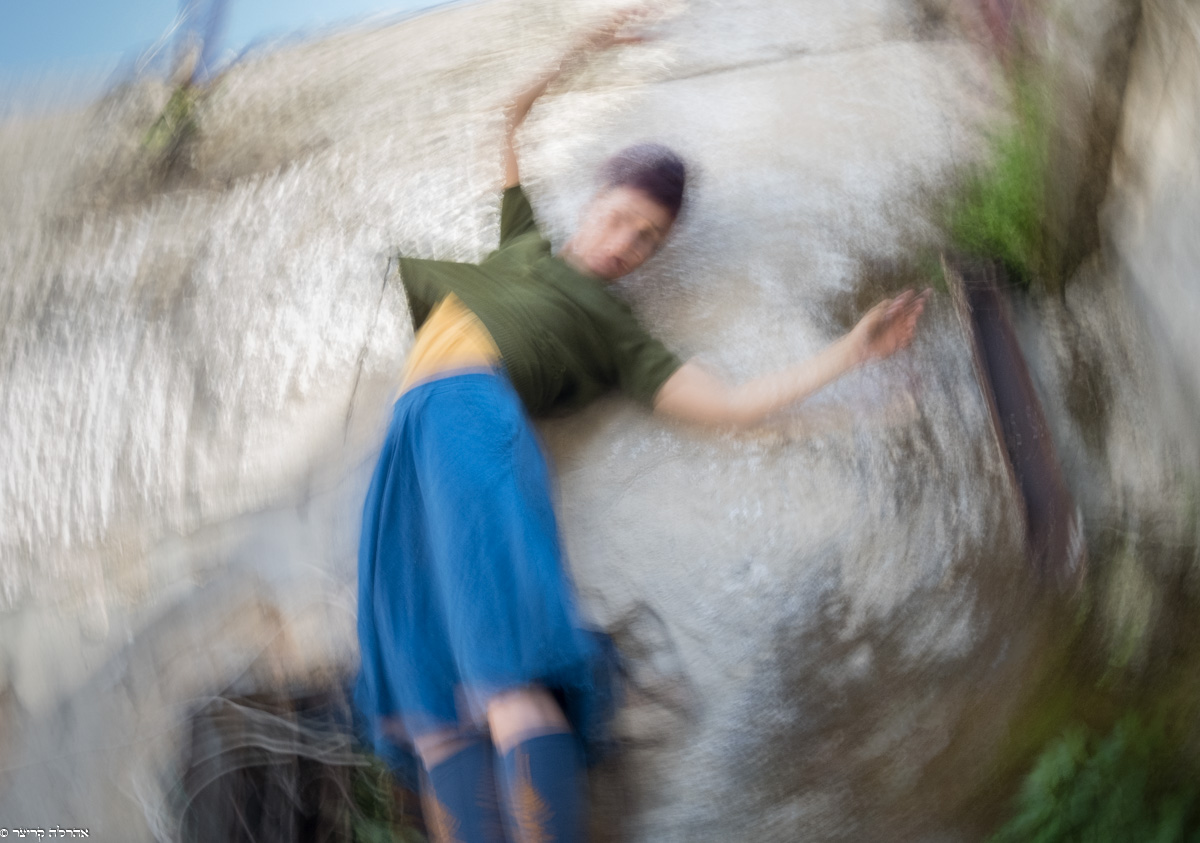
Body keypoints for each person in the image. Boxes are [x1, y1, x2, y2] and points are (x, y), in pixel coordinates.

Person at [354, 11, 929, 843]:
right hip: (408, 443)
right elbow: (507, 119)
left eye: (648, 239)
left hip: (471, 416)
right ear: (593, 203)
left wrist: (849, 353)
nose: (626, 243)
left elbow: (731, 406)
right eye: (621, 218)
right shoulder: (523, 243)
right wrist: (584, 49)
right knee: (428, 709)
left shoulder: (616, 332)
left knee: (502, 677)